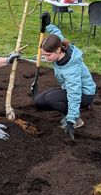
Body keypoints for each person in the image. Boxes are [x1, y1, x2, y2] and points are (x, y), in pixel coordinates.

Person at [35, 12, 96, 140]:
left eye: (47, 55)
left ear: (58, 50)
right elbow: (57, 33)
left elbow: (74, 94)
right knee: (39, 101)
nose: (45, 58)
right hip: (70, 89)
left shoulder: (72, 70)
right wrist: (48, 24)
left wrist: (71, 120)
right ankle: (71, 112)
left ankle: (76, 119)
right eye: (43, 54)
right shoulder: (61, 45)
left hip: (84, 94)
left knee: (51, 99)